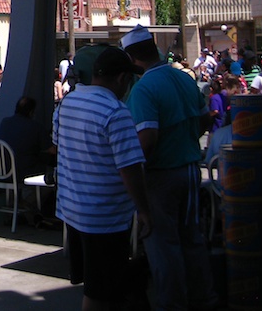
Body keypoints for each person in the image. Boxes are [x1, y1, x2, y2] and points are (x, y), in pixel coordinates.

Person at [122, 24, 218, 310]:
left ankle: (172, 304)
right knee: (192, 240)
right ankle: (203, 299)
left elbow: (147, 139)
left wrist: (131, 169)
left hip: (161, 175)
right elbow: (205, 119)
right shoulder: (184, 79)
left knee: (163, 247)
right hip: (190, 170)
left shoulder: (144, 89)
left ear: (132, 59)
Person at [54, 46, 153, 311]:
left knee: (98, 284)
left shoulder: (66, 104)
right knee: (100, 294)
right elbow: (129, 169)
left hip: (73, 212)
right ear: (122, 78)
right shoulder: (116, 112)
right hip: (104, 219)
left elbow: (59, 144)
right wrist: (144, 211)